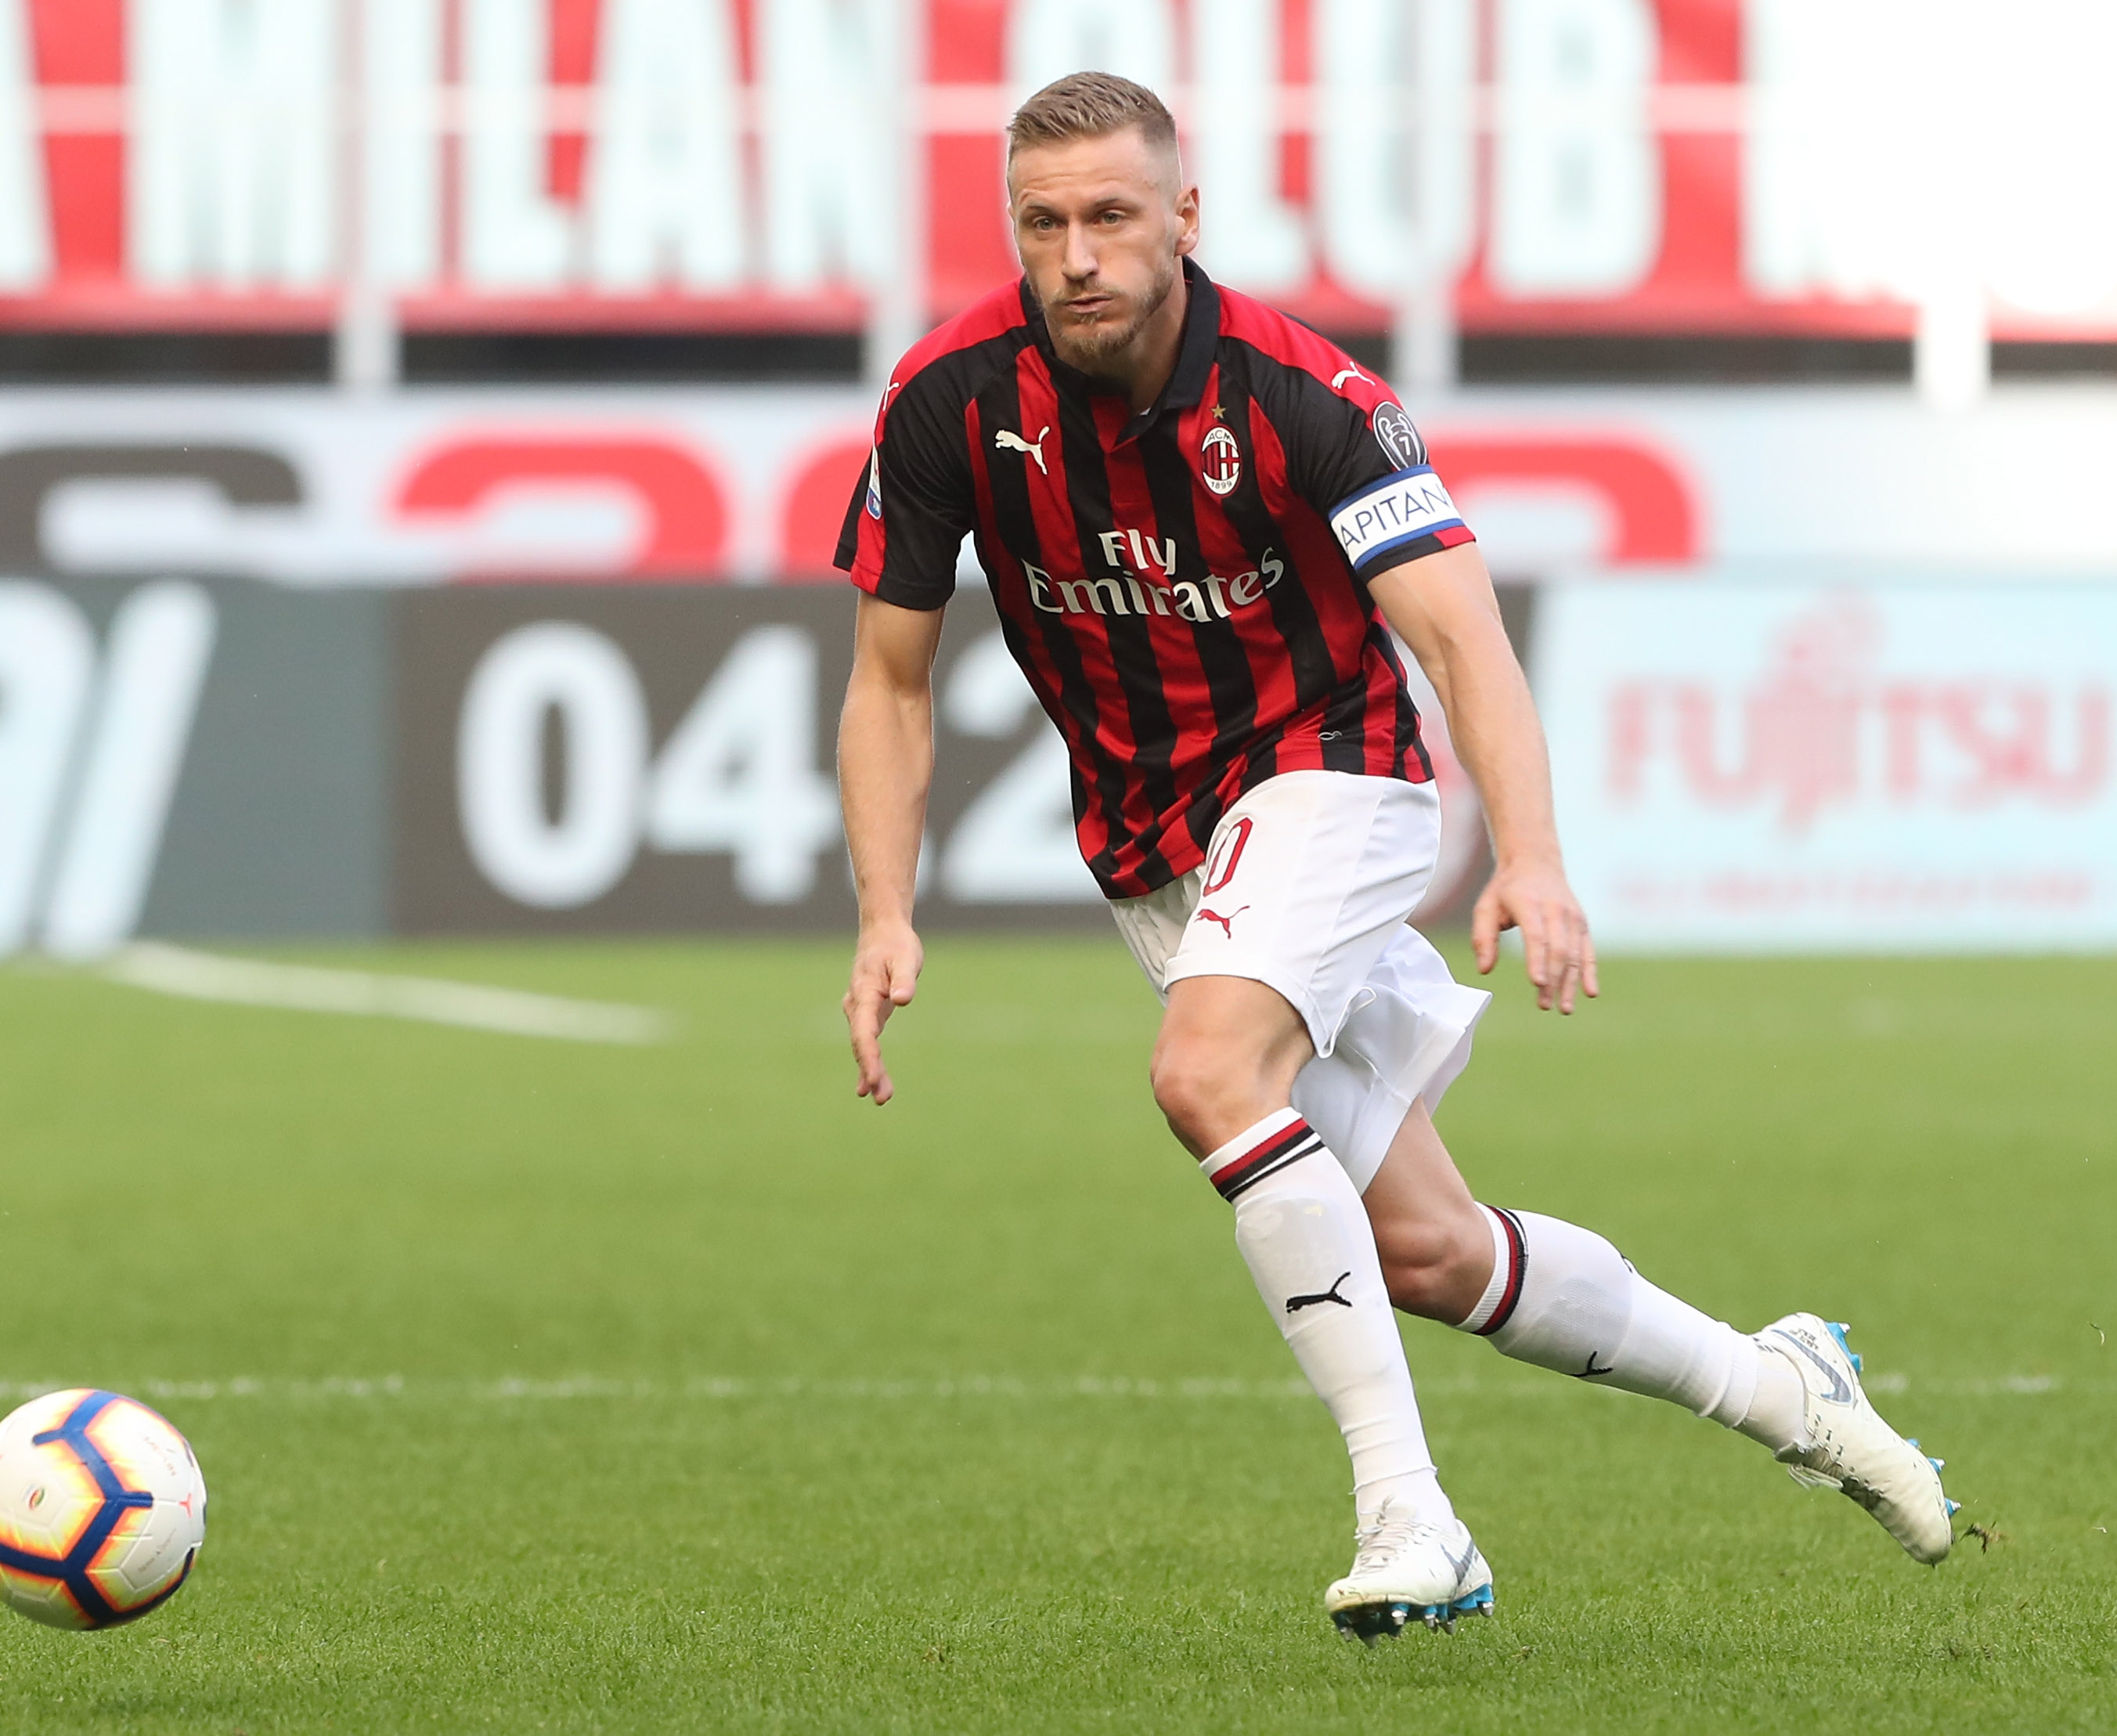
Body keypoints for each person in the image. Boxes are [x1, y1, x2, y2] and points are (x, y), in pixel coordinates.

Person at [831, 72, 1955, 1644]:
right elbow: (888, 676)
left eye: (1110, 216)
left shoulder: (1308, 397)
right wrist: (884, 906)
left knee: (1207, 1075)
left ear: (1184, 219)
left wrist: (1536, 859)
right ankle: (1786, 1389)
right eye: (1044, 223)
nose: (1077, 253)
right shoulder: (949, 401)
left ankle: (1407, 1509)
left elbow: (1464, 636)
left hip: (1335, 777)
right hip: (1163, 854)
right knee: (1430, 1248)